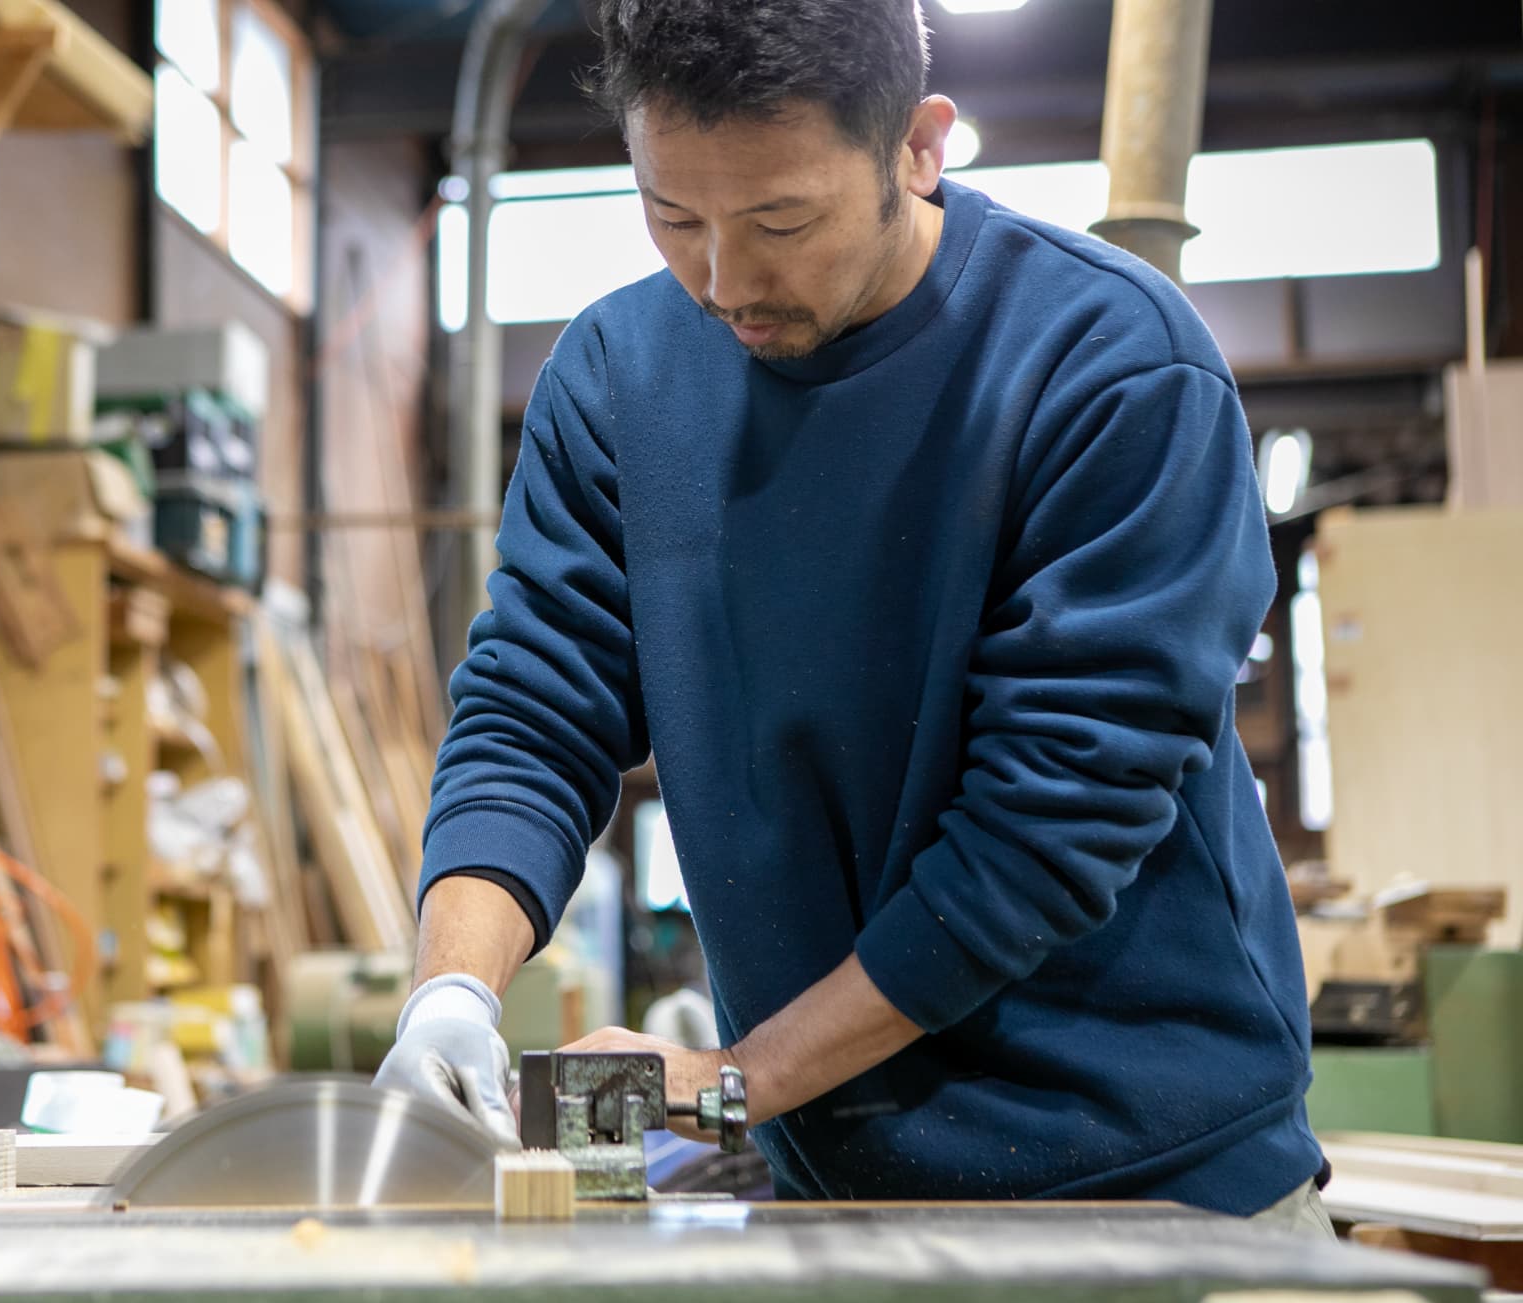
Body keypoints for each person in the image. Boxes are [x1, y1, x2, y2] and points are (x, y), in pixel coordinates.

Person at [374, 0, 1330, 1233]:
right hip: (832, 1194)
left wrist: (732, 1083)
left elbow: (1047, 827)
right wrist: (449, 994)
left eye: (781, 222)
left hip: (1156, 1191)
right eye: (673, 217)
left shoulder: (1107, 364)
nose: (723, 283)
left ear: (918, 147)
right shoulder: (616, 381)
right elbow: (530, 714)